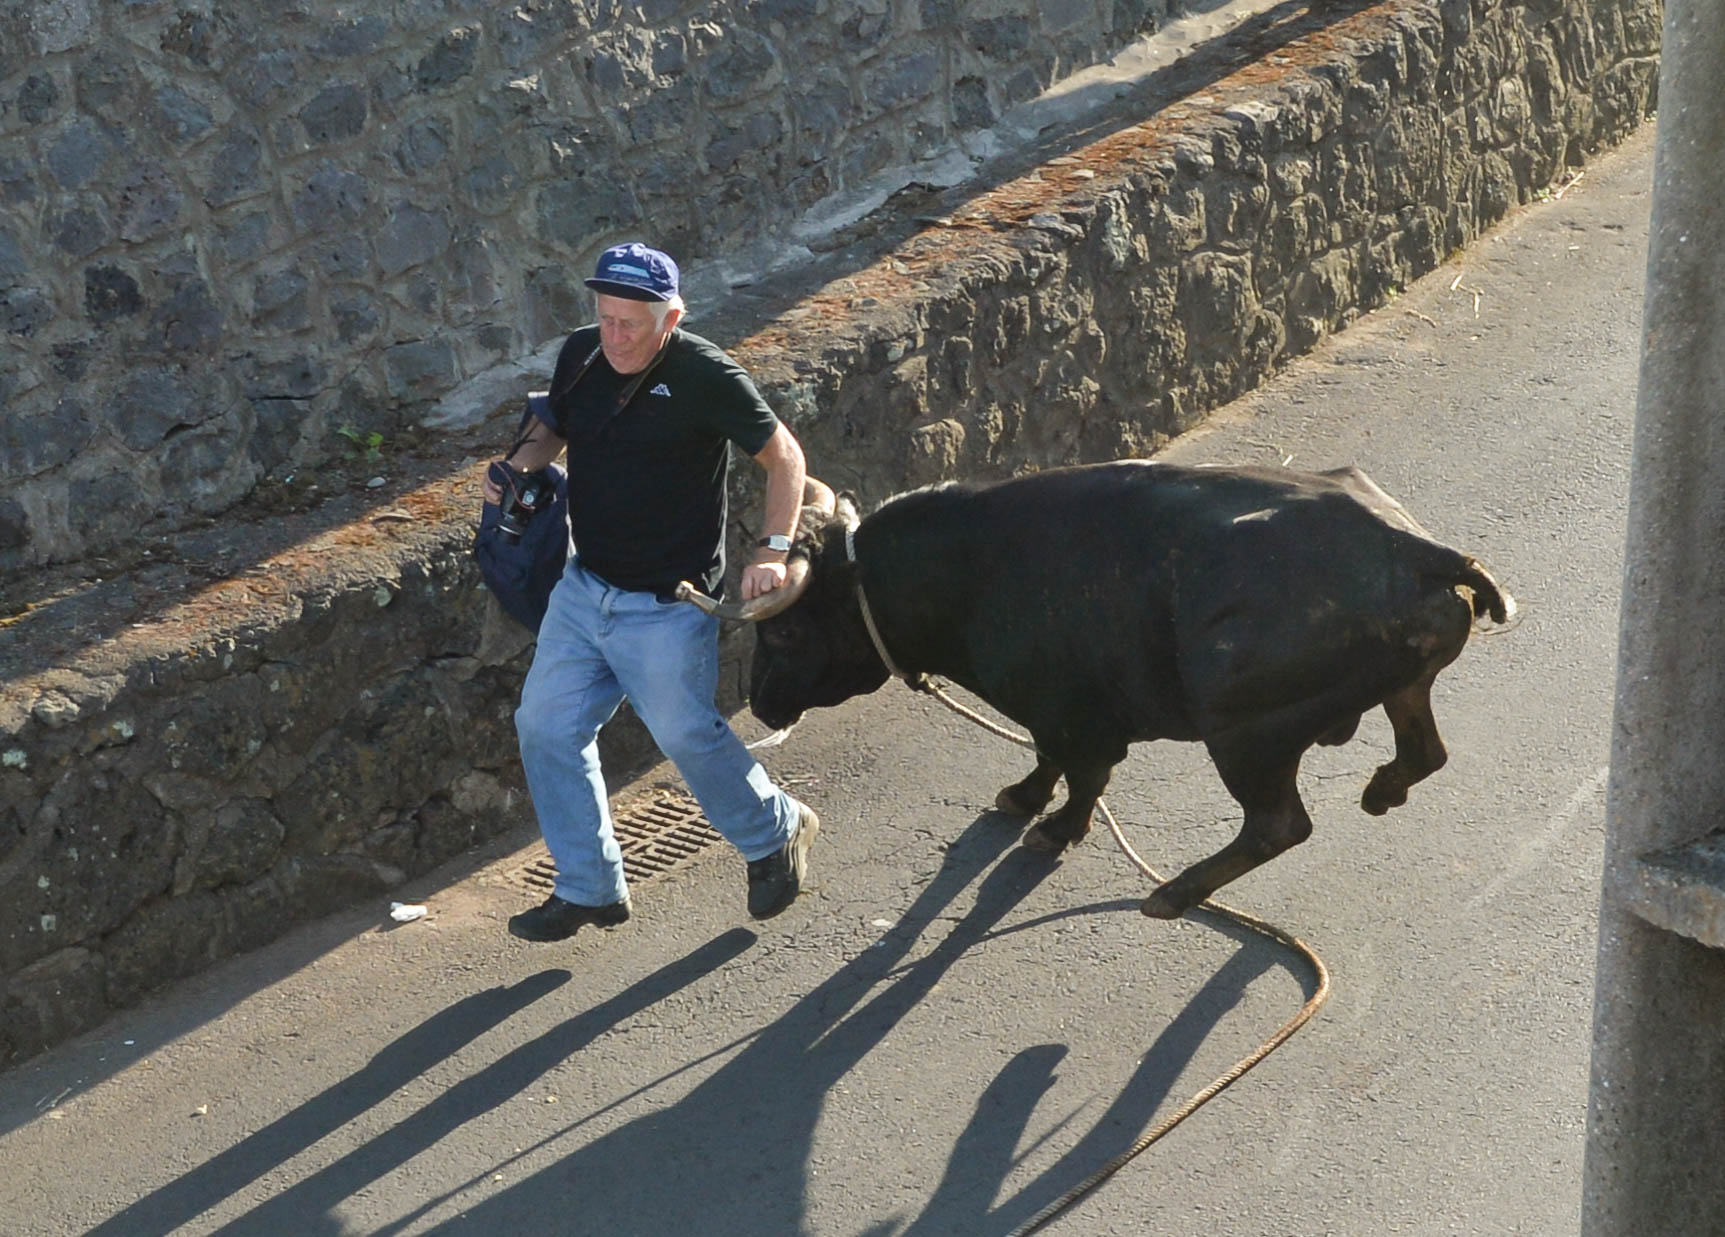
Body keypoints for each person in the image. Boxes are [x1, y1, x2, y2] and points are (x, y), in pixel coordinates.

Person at [483, 241, 819, 941]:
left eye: (631, 323)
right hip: (584, 589)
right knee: (544, 726)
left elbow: (783, 455)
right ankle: (588, 885)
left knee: (685, 733)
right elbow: (555, 425)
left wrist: (773, 549)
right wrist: (519, 466)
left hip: (670, 603)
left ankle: (775, 829)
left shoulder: (705, 375)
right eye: (605, 318)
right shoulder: (581, 353)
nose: (615, 336)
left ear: (671, 317)